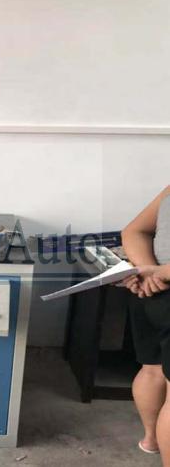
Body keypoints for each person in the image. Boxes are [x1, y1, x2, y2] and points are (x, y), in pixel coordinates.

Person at [122, 185, 170, 465]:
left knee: (152, 369)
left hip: (149, 292)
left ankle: (152, 438)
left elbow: (133, 231)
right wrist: (159, 274)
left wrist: (148, 272)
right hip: (159, 284)